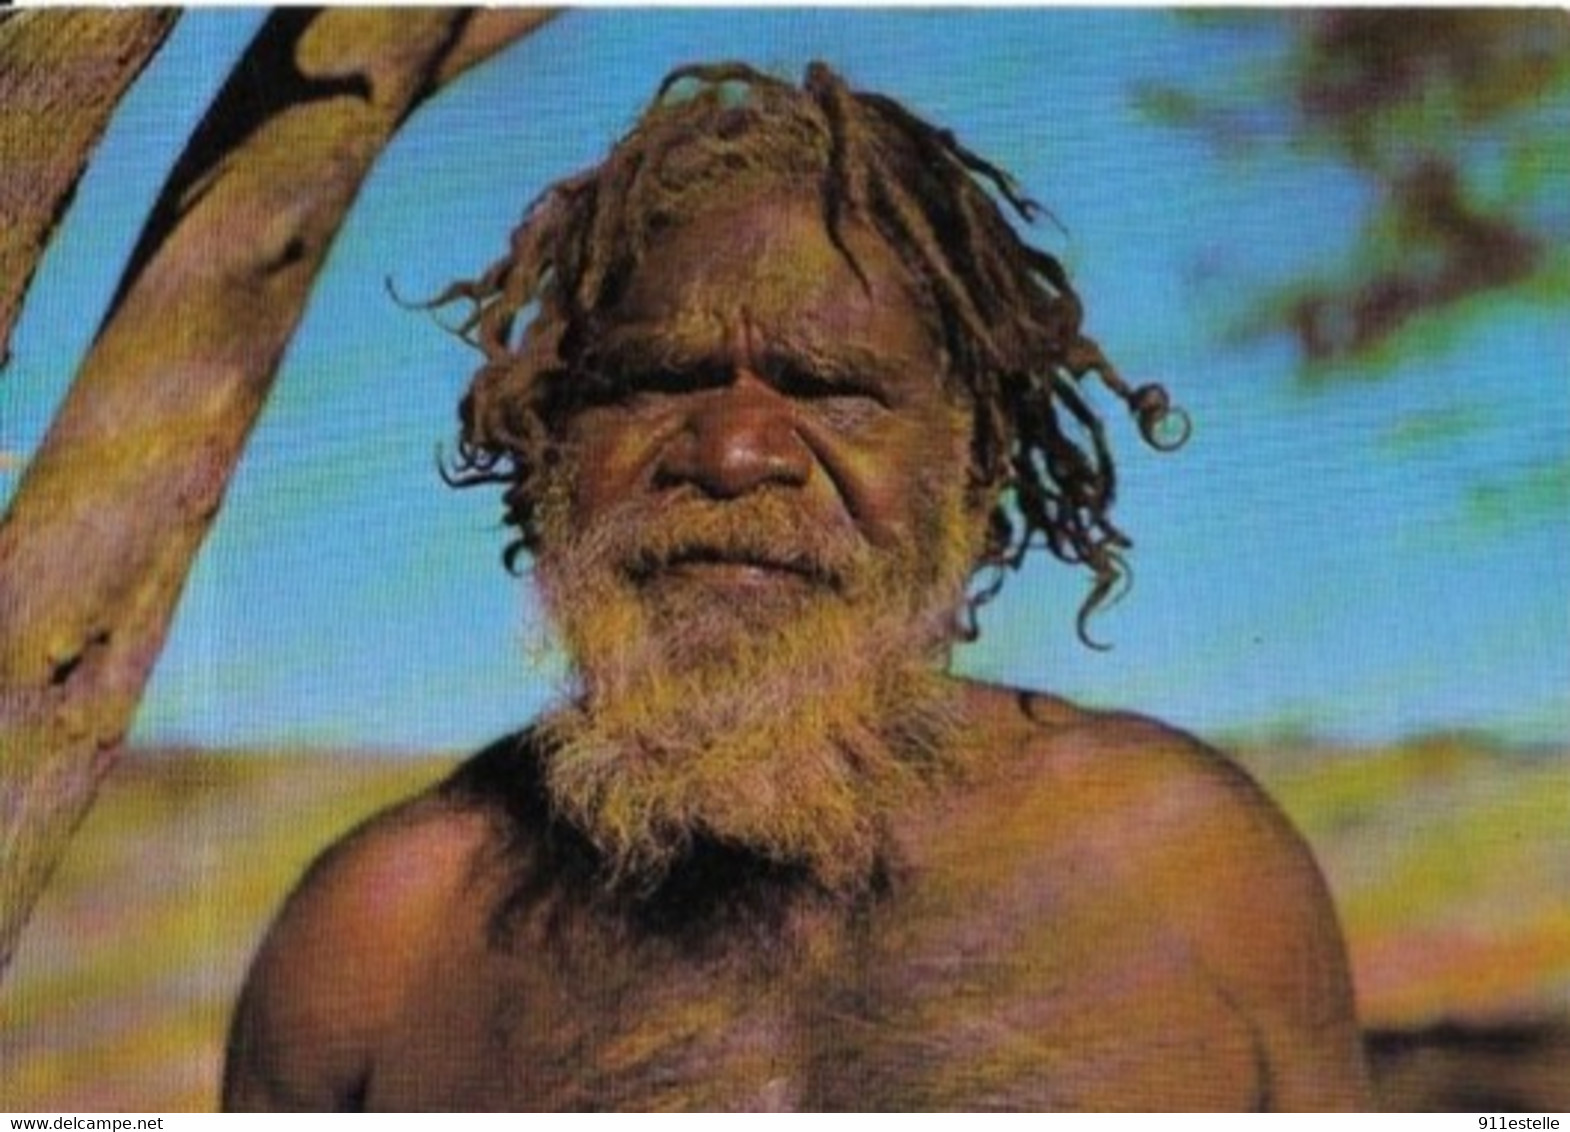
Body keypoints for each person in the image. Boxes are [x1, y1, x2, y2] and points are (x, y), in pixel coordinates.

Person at [223, 62, 1371, 1112]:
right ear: (549, 447)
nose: (731, 455)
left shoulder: (1188, 866)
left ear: (973, 468)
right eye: (656, 382)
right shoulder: (384, 940)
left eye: (830, 390)